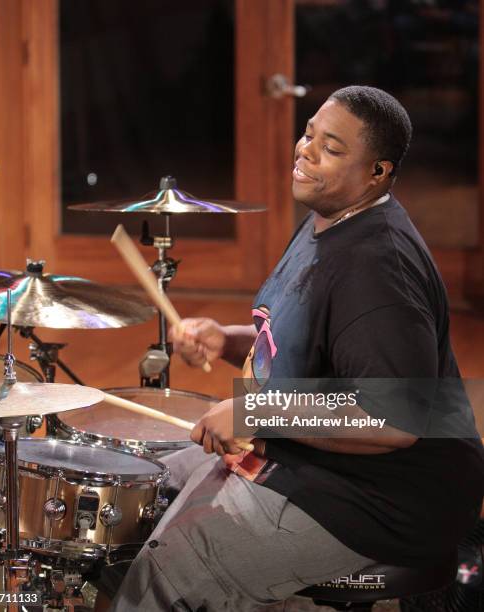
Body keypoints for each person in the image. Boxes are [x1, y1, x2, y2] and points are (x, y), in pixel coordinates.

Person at [102, 86, 484, 611]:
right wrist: (230, 338)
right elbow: (300, 342)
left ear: (378, 172)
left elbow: (394, 417)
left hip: (382, 501)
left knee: (169, 567)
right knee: (151, 488)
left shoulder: (377, 270)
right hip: (319, 464)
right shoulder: (329, 220)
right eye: (307, 134)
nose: (304, 151)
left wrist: (254, 411)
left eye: (330, 147)